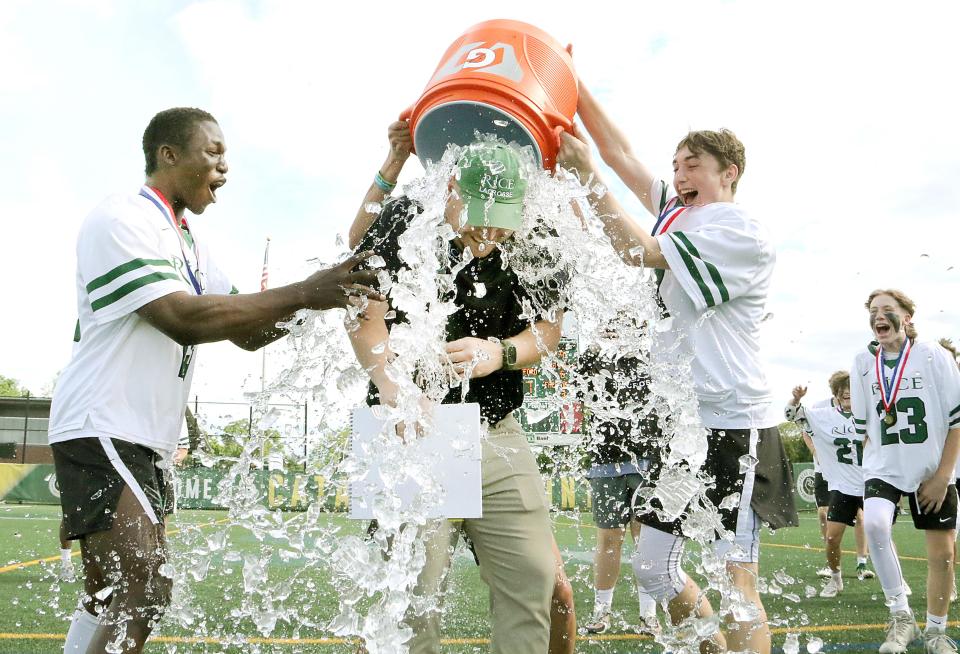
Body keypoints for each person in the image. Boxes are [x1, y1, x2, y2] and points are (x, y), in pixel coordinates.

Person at [49, 107, 381, 654]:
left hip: (142, 436)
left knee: (120, 592)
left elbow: (246, 331)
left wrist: (333, 296)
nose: (225, 167)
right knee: (140, 587)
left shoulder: (191, 243)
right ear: (168, 155)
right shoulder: (123, 219)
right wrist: (303, 291)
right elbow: (183, 317)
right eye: (213, 152)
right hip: (101, 422)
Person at [557, 80, 798, 654]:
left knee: (738, 582)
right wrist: (570, 81)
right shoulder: (679, 213)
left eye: (693, 165)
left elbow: (639, 250)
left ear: (730, 172)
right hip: (682, 427)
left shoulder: (737, 230)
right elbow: (619, 153)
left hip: (733, 423)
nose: (679, 175)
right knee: (653, 570)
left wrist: (588, 177)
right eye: (676, 166)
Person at [349, 122, 576, 654]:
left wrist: (501, 352)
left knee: (535, 581)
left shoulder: (538, 239)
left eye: (503, 225)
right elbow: (365, 316)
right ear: (450, 188)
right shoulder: (407, 219)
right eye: (479, 221)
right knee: (408, 608)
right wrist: (392, 383)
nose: (489, 237)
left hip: (497, 428)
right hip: (412, 428)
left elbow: (548, 332)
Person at [851, 290, 960, 654]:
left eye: (888, 310)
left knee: (943, 553)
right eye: (874, 311)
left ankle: (936, 630)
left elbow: (958, 420)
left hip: (931, 467)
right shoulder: (862, 363)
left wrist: (943, 475)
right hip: (886, 465)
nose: (879, 316)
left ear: (907, 318)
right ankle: (901, 616)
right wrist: (872, 464)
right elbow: (864, 425)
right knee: (876, 524)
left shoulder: (934, 356)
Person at [576, 339, 659, 635]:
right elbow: (578, 385)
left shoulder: (649, 352)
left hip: (646, 462)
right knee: (609, 540)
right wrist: (599, 345)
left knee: (645, 540)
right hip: (604, 463)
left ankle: (649, 615)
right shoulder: (593, 353)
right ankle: (602, 612)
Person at [786, 373, 876, 598]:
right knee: (832, 537)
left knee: (881, 534)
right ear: (835, 393)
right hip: (843, 486)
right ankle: (835, 579)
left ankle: (896, 582)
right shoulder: (824, 416)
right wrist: (795, 401)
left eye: (851, 389)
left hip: (871, 482)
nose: (847, 393)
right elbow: (791, 415)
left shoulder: (871, 414)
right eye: (842, 389)